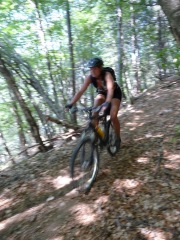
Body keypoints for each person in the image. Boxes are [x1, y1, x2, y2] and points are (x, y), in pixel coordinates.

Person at [65, 57, 122, 149]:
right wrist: (71, 103)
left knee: (113, 116)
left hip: (115, 94)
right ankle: (97, 135)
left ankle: (117, 138)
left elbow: (111, 89)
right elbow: (80, 91)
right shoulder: (90, 78)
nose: (92, 71)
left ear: (100, 68)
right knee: (94, 112)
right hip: (103, 94)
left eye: (94, 68)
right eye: (91, 69)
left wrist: (107, 102)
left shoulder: (107, 75)